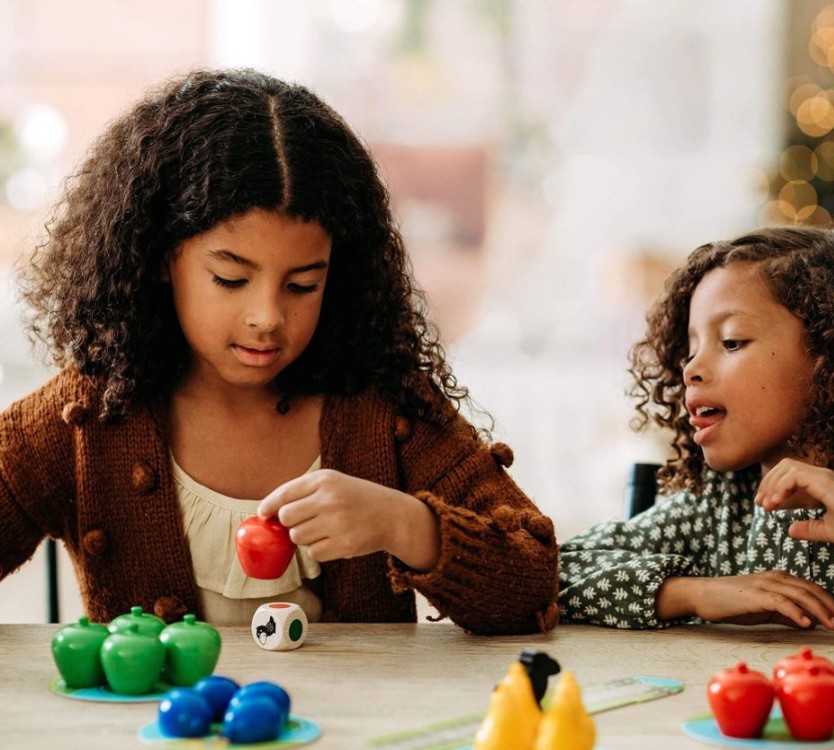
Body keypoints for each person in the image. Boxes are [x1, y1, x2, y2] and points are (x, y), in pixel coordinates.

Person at [1, 68, 558, 636]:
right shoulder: (86, 416)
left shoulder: (381, 407)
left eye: (302, 286)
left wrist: (407, 526)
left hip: (358, 725)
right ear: (162, 260)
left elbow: (534, 579)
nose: (267, 317)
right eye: (230, 279)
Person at [559, 225, 834, 630]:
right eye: (690, 350)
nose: (691, 370)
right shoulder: (713, 508)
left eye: (732, 341)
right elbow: (549, 571)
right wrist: (695, 594)